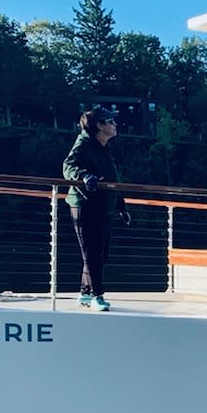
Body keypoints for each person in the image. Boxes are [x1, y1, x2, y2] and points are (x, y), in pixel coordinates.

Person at [63, 107, 126, 310]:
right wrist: (83, 176)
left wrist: (121, 206)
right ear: (100, 125)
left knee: (101, 252)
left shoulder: (103, 146)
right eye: (111, 121)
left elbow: (111, 180)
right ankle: (98, 296)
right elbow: (68, 166)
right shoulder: (84, 144)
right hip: (84, 205)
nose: (115, 125)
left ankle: (85, 292)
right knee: (92, 252)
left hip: (104, 206)